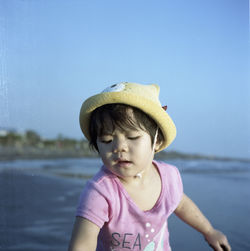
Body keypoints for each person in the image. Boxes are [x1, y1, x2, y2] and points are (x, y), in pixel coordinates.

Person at [68, 82, 231, 251]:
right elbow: (82, 244)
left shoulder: (168, 177)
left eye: (132, 137)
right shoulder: (101, 191)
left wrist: (209, 231)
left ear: (157, 141)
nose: (119, 147)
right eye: (107, 140)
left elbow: (181, 204)